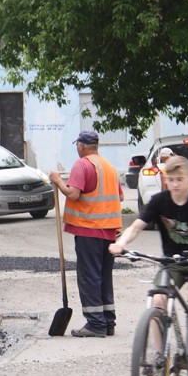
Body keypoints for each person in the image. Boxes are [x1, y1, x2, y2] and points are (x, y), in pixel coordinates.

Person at [109, 155, 188, 364]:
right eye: (171, 180)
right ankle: (160, 355)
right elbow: (136, 226)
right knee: (158, 299)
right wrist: (122, 244)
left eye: (179, 179)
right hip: (173, 261)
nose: (175, 184)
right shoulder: (159, 201)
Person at [49, 130, 124, 338]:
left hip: (89, 229)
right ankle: (108, 322)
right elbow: (121, 196)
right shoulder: (110, 168)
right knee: (103, 276)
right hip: (109, 231)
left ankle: (95, 324)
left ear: (81, 146)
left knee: (89, 276)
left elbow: (73, 193)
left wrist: (57, 180)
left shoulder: (82, 165)